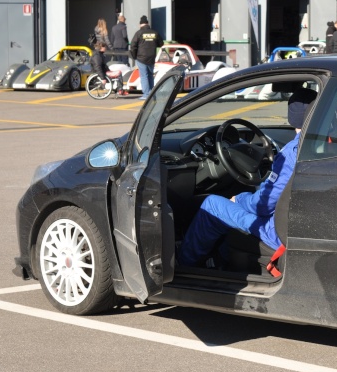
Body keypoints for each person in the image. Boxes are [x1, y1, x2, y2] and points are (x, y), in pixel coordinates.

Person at [178, 88, 318, 268]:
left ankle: (183, 265)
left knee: (212, 205)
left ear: (292, 117)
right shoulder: (321, 144)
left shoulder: (291, 153)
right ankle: (220, 259)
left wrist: (240, 199)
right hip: (301, 222)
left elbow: (263, 206)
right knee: (255, 192)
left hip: (276, 230)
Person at [130, 15, 164, 100]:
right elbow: (161, 43)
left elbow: (133, 46)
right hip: (152, 57)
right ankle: (152, 93)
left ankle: (146, 94)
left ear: (140, 24)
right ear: (147, 24)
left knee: (144, 76)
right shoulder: (154, 32)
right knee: (150, 75)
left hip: (141, 58)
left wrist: (134, 56)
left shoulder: (138, 33)